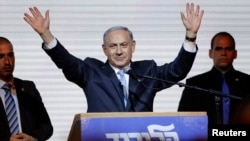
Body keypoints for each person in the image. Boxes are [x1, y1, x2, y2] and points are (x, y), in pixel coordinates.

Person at [23, 3, 204, 112]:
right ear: (104, 50)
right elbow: (66, 62)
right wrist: (46, 34)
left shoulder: (147, 70)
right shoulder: (91, 72)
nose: (119, 51)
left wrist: (190, 36)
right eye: (113, 46)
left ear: (133, 46)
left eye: (124, 45)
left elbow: (177, 71)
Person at [178, 31, 250, 125]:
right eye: (218, 49)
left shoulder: (248, 83)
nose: (223, 53)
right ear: (210, 53)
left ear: (235, 54)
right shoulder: (194, 84)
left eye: (228, 49)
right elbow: (182, 121)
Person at [0, 37, 53, 141]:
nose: (7, 62)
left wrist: (32, 138)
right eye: (1, 56)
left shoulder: (28, 88)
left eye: (10, 55)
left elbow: (46, 126)